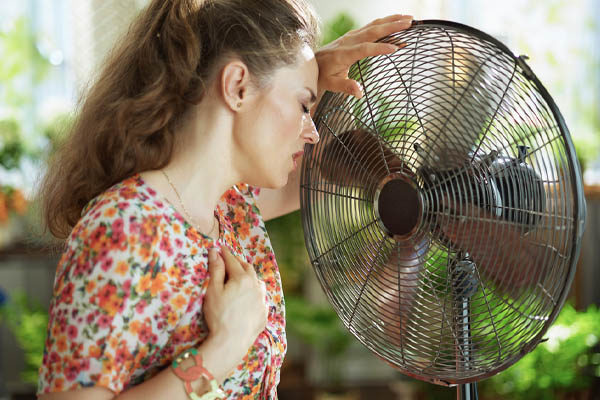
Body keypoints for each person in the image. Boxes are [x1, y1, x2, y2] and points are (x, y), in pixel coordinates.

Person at [36, 0, 412, 398]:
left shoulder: (232, 211)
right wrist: (222, 350)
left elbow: (332, 170)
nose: (312, 130)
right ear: (237, 87)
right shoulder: (124, 227)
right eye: (304, 106)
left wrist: (309, 73)